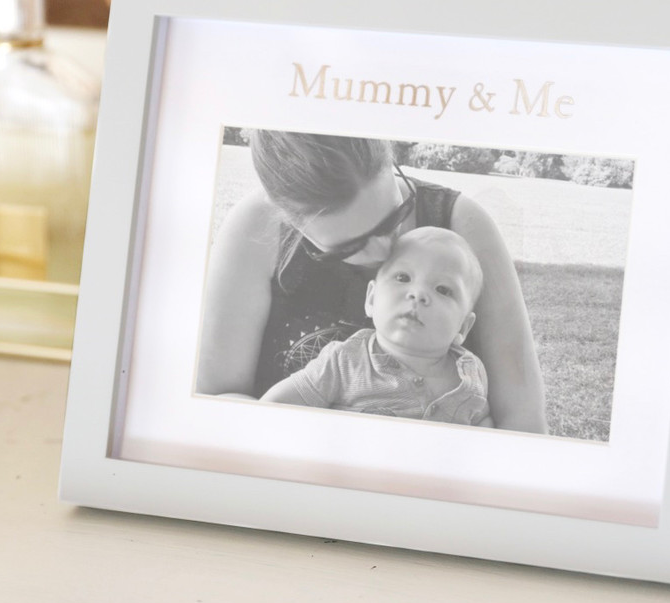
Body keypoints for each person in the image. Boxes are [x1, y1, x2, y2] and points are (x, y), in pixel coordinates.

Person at [196, 130, 546, 433]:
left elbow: (524, 422)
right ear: (290, 219)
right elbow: (214, 404)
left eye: (395, 216)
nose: (385, 251)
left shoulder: (461, 226)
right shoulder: (255, 228)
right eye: (350, 247)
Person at [260, 227, 493, 426]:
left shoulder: (470, 374)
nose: (418, 294)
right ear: (371, 299)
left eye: (443, 290)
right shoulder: (344, 361)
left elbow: (485, 428)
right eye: (403, 278)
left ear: (463, 327)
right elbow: (272, 408)